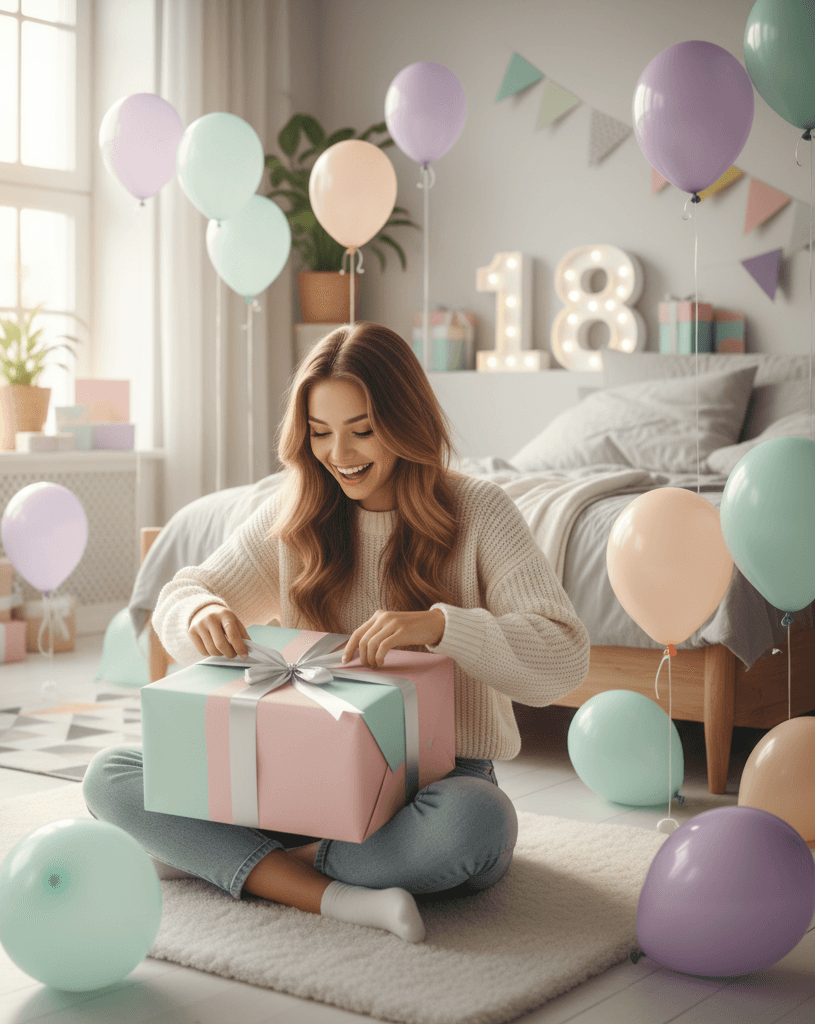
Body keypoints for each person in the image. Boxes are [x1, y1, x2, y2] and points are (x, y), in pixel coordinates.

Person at [83, 321, 590, 943]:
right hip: (300, 777)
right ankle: (330, 891)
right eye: (320, 432)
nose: (339, 454)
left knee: (475, 825)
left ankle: (226, 860)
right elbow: (185, 591)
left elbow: (564, 657)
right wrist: (198, 614)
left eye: (362, 430)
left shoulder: (481, 511)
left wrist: (442, 626)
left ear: (405, 422)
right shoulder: (294, 511)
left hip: (430, 786)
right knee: (109, 775)